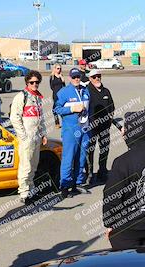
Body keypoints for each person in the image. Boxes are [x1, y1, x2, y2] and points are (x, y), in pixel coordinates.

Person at [103, 110, 145, 250]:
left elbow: (112, 197)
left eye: (126, 129)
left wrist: (109, 224)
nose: (123, 132)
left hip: (126, 230)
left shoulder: (122, 162)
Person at [10, 70, 47, 204]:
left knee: (34, 165)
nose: (35, 84)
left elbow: (40, 118)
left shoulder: (37, 97)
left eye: (37, 82)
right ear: (27, 82)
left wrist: (43, 134)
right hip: (27, 137)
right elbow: (14, 118)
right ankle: (24, 193)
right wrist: (23, 135)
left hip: (36, 136)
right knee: (26, 166)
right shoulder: (21, 96)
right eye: (32, 82)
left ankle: (31, 190)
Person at [55, 68, 91, 198]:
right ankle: (64, 186)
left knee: (81, 158)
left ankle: (76, 184)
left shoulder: (86, 91)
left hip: (85, 129)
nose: (76, 79)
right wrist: (71, 108)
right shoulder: (64, 92)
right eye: (74, 77)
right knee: (68, 158)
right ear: (69, 78)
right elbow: (57, 109)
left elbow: (90, 109)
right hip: (71, 130)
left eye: (78, 76)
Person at [86, 69, 115, 183]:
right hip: (91, 128)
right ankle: (90, 174)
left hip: (104, 127)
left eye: (99, 76)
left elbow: (112, 107)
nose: (97, 78)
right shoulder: (86, 91)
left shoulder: (106, 91)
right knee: (90, 151)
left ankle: (102, 172)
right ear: (90, 78)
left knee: (104, 150)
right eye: (94, 77)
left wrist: (109, 119)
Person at [49, 63, 65, 128]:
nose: (59, 70)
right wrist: (56, 91)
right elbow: (51, 86)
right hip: (55, 95)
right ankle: (57, 123)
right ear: (55, 69)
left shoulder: (61, 76)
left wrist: (62, 79)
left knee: (62, 108)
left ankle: (64, 122)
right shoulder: (52, 77)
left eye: (60, 68)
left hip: (62, 95)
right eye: (58, 68)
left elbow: (64, 86)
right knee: (54, 109)